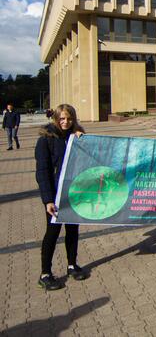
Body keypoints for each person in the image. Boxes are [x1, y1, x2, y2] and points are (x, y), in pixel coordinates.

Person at [35, 104, 88, 290]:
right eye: (62, 119)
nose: (65, 122)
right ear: (55, 119)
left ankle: (72, 264)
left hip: (74, 192)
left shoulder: (77, 137)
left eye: (69, 119)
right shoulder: (46, 139)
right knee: (52, 232)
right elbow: (43, 171)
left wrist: (83, 140)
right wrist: (48, 199)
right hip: (55, 195)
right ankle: (45, 273)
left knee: (73, 229)